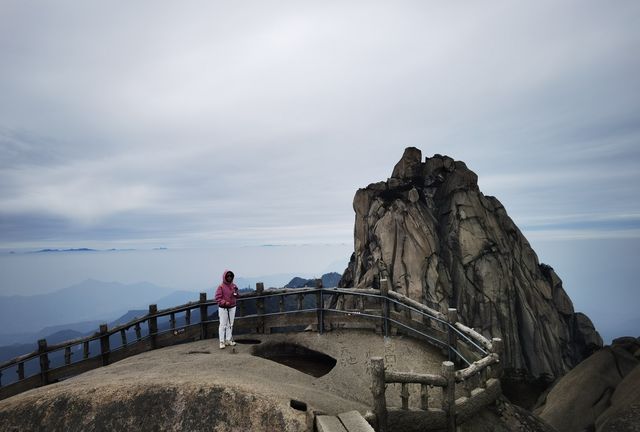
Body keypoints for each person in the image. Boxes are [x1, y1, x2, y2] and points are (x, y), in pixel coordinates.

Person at [215, 270, 239, 349]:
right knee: (222, 325)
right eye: (227, 276)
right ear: (224, 277)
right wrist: (224, 303)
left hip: (232, 307)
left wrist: (236, 293)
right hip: (224, 308)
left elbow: (237, 295)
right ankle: (222, 342)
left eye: (230, 276)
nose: (229, 277)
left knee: (230, 324)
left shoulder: (234, 286)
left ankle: (228, 340)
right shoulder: (221, 286)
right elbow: (217, 298)